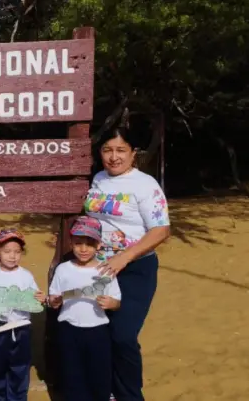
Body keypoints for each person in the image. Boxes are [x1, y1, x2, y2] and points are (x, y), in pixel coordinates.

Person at [85, 127, 171, 401]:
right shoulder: (97, 179)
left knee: (123, 335)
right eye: (107, 150)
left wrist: (125, 256)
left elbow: (161, 230)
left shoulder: (145, 185)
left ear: (133, 154)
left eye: (121, 150)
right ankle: (106, 390)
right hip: (99, 269)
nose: (113, 157)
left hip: (135, 269)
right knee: (99, 332)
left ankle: (131, 396)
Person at [48, 216, 121, 401]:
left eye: (89, 244)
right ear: (71, 242)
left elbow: (117, 301)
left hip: (98, 330)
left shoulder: (105, 270)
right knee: (72, 373)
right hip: (69, 329)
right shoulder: (63, 269)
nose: (83, 249)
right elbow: (53, 298)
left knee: (99, 373)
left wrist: (111, 303)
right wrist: (54, 301)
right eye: (78, 243)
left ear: (98, 245)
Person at [0, 228, 46, 401]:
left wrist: (40, 297)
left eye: (17, 252)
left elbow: (35, 298)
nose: (12, 256)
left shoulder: (26, 275)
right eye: (7, 251)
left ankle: (18, 397)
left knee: (20, 368)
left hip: (21, 328)